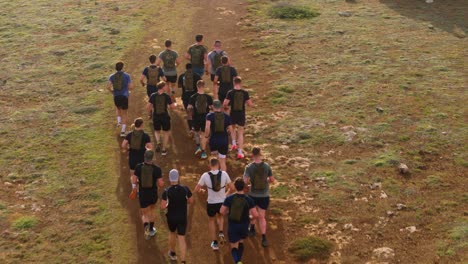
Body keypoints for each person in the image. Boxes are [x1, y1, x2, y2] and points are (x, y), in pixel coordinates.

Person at [194, 158, 234, 250]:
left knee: (211, 220)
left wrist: (202, 190)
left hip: (211, 202)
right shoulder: (224, 174)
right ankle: (220, 231)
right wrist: (225, 194)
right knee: (220, 216)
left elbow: (196, 189)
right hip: (222, 202)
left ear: (209, 165)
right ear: (218, 164)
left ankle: (215, 243)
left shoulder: (205, 175)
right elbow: (232, 188)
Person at [220, 178, 258, 264]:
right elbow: (256, 215)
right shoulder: (249, 200)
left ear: (235, 187)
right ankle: (239, 261)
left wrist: (227, 213)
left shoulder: (229, 198)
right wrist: (250, 217)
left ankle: (237, 261)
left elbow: (222, 211)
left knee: (234, 246)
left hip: (233, 225)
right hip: (244, 225)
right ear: (244, 187)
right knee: (241, 242)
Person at [243, 147, 275, 247]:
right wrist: (266, 181)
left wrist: (248, 186)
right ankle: (264, 237)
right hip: (264, 195)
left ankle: (252, 228)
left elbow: (245, 181)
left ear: (252, 154)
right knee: (262, 217)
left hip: (252, 195)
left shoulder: (249, 167)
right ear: (260, 154)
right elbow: (272, 179)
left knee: (252, 213)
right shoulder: (266, 166)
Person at [161, 169, 194, 264]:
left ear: (170, 179)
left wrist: (168, 204)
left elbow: (162, 206)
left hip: (171, 218)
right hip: (182, 217)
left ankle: (172, 253)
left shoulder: (166, 191)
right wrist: (185, 201)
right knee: (181, 238)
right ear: (178, 177)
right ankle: (183, 261)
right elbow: (191, 201)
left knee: (172, 233)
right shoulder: (185, 189)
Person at [130, 150, 164, 239]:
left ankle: (146, 228)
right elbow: (160, 184)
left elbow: (134, 180)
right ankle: (152, 229)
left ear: (144, 156)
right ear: (152, 158)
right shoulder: (157, 169)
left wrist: (137, 184)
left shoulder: (138, 167)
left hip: (143, 194)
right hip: (153, 194)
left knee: (145, 214)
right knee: (152, 211)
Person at [223, 76, 254, 159]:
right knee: (240, 133)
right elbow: (250, 104)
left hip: (233, 113)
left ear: (234, 82)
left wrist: (225, 107)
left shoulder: (230, 92)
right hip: (241, 114)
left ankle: (233, 143)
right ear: (240, 83)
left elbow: (225, 103)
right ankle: (240, 152)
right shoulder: (245, 92)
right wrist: (253, 105)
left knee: (232, 128)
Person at [147, 81, 176, 156]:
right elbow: (172, 107)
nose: (167, 87)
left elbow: (148, 107)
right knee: (166, 132)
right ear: (163, 87)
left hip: (156, 116)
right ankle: (163, 149)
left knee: (157, 130)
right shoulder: (166, 96)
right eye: (165, 86)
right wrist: (174, 104)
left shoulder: (153, 95)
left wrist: (150, 113)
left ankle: (158, 141)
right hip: (165, 116)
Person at [106, 61, 134, 137]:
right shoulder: (127, 76)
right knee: (124, 114)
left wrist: (112, 92)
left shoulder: (112, 76)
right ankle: (122, 132)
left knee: (118, 108)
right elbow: (131, 87)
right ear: (122, 67)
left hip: (116, 96)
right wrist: (129, 91)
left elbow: (108, 86)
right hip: (124, 96)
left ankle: (119, 122)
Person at [188, 80, 213, 159]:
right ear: (204, 86)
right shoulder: (208, 97)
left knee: (196, 132)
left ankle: (198, 146)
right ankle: (203, 152)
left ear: (197, 86)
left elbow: (189, 108)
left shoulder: (193, 97)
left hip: (196, 118)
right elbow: (212, 108)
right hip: (205, 118)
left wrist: (190, 118)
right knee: (203, 135)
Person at [205, 100, 232, 172]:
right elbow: (230, 130)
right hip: (224, 141)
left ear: (213, 107)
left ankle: (214, 178)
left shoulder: (209, 116)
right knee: (222, 162)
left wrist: (206, 137)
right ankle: (223, 180)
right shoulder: (226, 116)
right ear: (220, 107)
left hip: (213, 140)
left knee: (214, 161)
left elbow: (207, 128)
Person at [178, 63, 202, 133]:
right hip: (195, 97)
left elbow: (179, 86)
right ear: (192, 68)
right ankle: (197, 127)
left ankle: (191, 128)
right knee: (196, 112)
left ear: (186, 68)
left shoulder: (181, 76)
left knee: (189, 113)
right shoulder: (197, 76)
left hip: (185, 97)